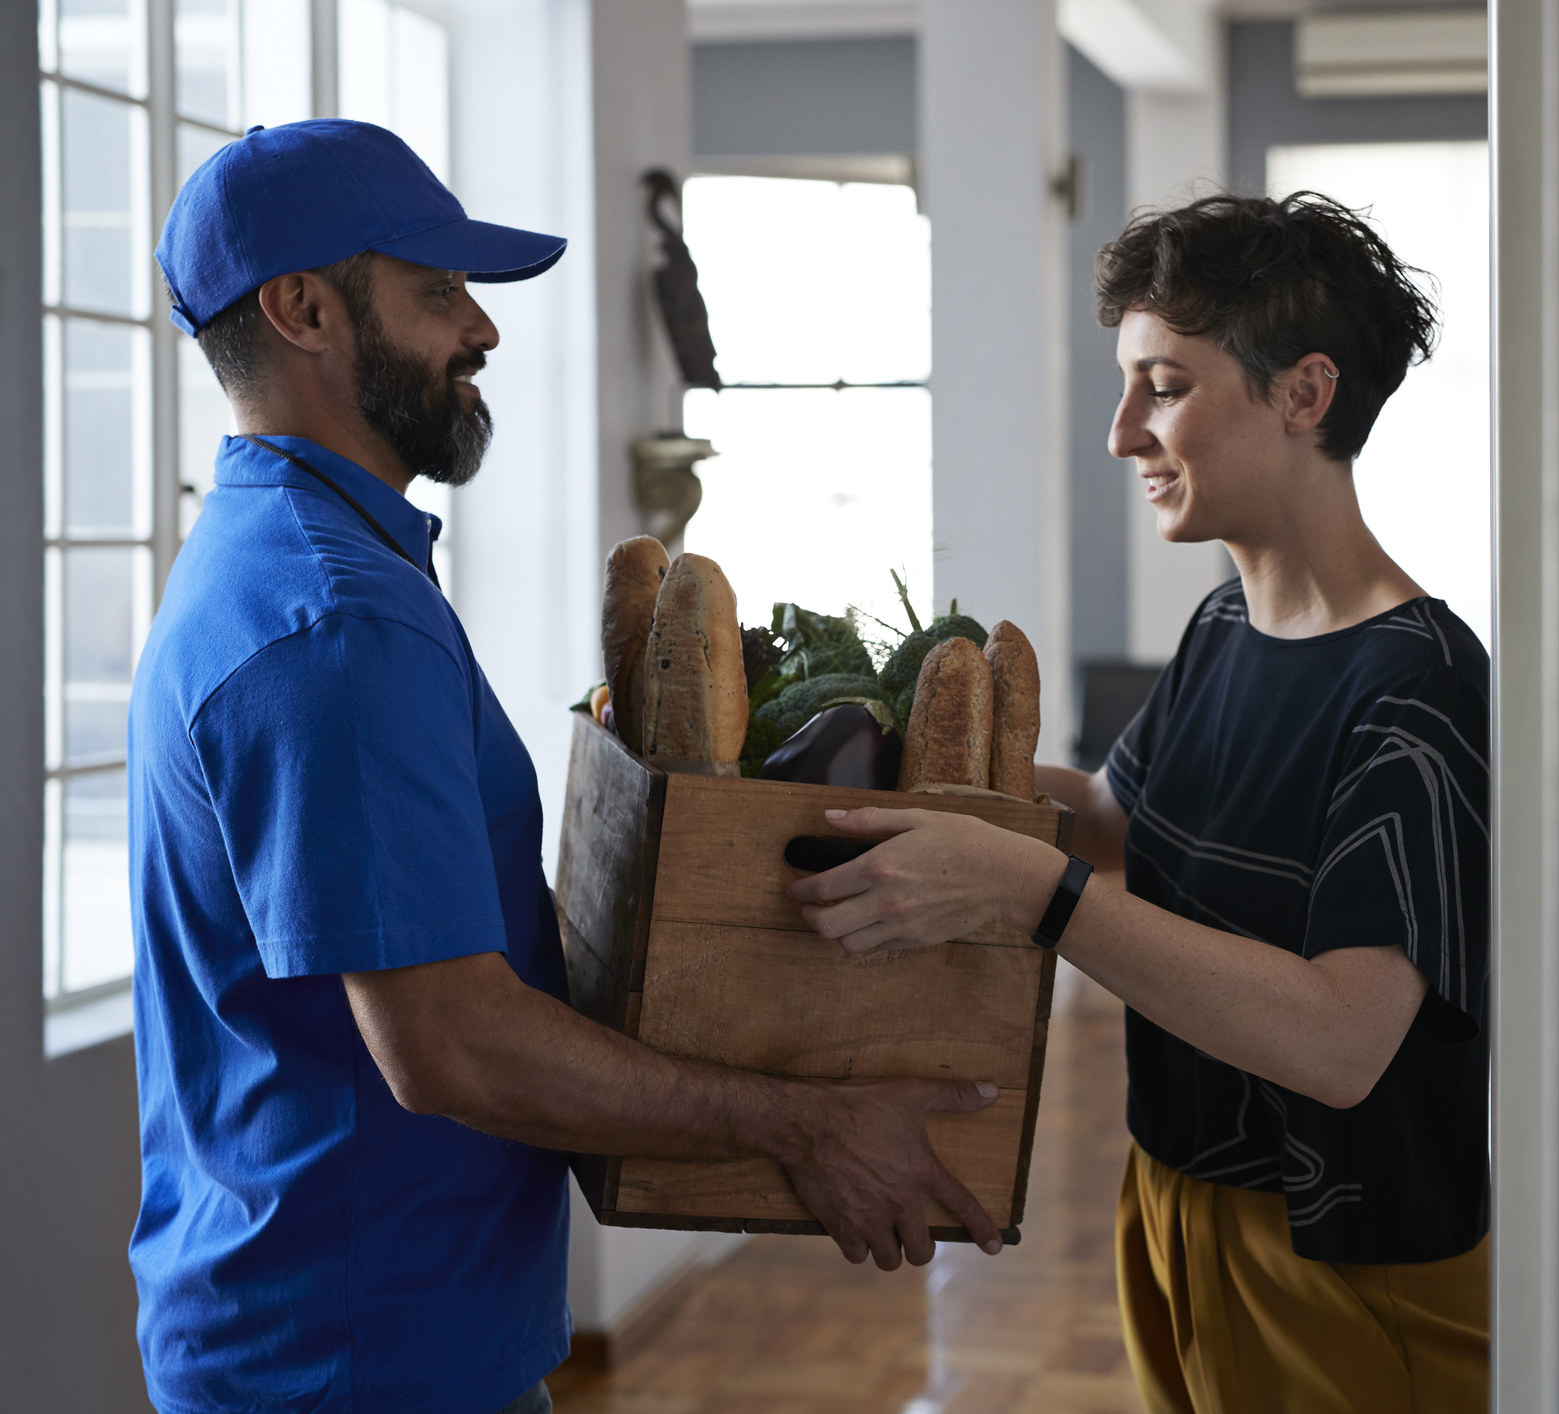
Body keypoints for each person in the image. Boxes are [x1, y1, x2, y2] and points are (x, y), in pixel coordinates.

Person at [131, 119, 1002, 1414]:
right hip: (361, 1355)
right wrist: (803, 1122)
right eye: (435, 293)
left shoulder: (286, 563)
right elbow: (450, 1044)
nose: (479, 330)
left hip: (344, 1319)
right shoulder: (334, 620)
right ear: (303, 309)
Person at [786, 192, 1490, 1413]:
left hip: (1343, 1266)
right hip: (1172, 1203)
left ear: (1303, 394)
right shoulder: (1227, 620)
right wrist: (903, 764)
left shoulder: (1421, 681)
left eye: (1162, 385)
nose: (1122, 434)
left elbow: (1339, 1040)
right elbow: (1121, 818)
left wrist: (1028, 889)